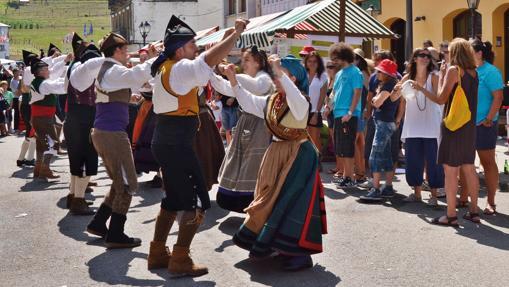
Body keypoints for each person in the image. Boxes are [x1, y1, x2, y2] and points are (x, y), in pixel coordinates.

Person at [147, 16, 247, 277]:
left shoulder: (165, 67)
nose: (196, 49)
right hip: (177, 143)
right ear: (180, 49)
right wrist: (234, 35)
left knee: (173, 199)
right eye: (192, 45)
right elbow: (207, 61)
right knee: (196, 200)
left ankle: (157, 253)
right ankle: (180, 259)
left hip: (168, 140)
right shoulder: (178, 69)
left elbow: (204, 66)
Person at [227, 55, 326, 271]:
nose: (277, 78)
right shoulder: (273, 100)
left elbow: (291, 92)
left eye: (284, 75)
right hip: (277, 153)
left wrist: (278, 69)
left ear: (294, 79)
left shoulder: (300, 101)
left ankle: (300, 254)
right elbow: (248, 102)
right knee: (270, 199)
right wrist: (232, 80)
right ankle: (273, 244)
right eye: (277, 75)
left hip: (298, 155)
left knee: (292, 203)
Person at [80, 32, 157, 248]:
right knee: (128, 184)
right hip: (112, 134)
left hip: (105, 133)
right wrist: (154, 58)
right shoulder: (113, 69)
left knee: (118, 182)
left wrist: (128, 96)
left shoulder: (109, 70)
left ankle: (98, 223)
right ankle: (116, 233)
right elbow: (137, 76)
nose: (128, 54)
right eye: (125, 51)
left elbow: (133, 84)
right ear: (117, 51)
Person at [212, 46, 274, 213]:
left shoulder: (264, 79)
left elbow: (247, 85)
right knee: (242, 161)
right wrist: (212, 69)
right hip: (248, 123)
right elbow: (226, 87)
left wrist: (226, 72)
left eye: (247, 60)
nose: (244, 63)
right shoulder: (252, 78)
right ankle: (240, 200)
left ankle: (256, 202)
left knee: (254, 164)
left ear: (258, 62)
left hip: (261, 126)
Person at [424, 38, 479, 227]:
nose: (446, 53)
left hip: (453, 126)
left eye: (448, 50)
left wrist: (441, 75)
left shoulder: (454, 71)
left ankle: (451, 215)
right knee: (469, 168)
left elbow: (440, 99)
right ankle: (474, 211)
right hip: (469, 126)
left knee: (450, 171)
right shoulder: (474, 72)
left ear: (455, 52)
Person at [391, 48, 444, 206]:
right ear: (414, 59)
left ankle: (434, 196)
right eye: (422, 55)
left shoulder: (434, 77)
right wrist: (395, 90)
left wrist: (420, 88)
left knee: (433, 161)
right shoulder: (407, 77)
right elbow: (395, 99)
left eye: (428, 56)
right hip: (413, 125)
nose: (426, 58)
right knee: (413, 160)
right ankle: (417, 193)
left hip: (431, 125)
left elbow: (439, 99)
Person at [64, 33, 103, 215]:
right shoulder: (84, 71)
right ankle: (78, 200)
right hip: (84, 120)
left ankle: (73, 195)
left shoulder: (73, 69)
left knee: (76, 160)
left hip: (74, 117)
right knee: (87, 159)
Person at [465, 39, 503, 215]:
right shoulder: (467, 70)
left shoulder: (491, 71)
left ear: (479, 53)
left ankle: (491, 202)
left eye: (468, 51)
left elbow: (498, 97)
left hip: (484, 124)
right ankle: (464, 197)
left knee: (487, 163)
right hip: (466, 124)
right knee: (465, 163)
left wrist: (488, 119)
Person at [359, 59, 400, 202]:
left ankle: (376, 189)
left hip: (384, 123)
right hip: (385, 123)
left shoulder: (388, 85)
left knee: (375, 156)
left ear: (386, 74)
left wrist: (375, 99)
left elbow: (377, 102)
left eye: (380, 71)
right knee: (387, 156)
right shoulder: (389, 84)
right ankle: (387, 187)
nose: (377, 73)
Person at [329, 43, 363, 188]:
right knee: (341, 148)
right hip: (338, 114)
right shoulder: (338, 74)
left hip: (348, 115)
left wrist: (350, 112)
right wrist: (328, 106)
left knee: (348, 148)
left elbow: (357, 93)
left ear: (344, 57)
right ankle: (346, 176)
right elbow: (334, 93)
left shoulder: (355, 72)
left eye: (336, 58)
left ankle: (350, 178)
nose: (334, 61)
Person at [29, 57, 69, 181]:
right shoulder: (43, 83)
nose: (49, 71)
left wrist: (64, 62)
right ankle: (45, 169)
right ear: (40, 71)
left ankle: (39, 169)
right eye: (46, 69)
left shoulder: (39, 81)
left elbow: (55, 78)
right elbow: (58, 86)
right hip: (44, 118)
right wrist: (72, 82)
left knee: (42, 144)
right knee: (53, 143)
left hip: (41, 118)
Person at [304, 51, 328, 167]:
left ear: (319, 63)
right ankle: (307, 162)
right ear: (306, 62)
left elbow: (322, 97)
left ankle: (317, 162)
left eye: (314, 61)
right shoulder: (303, 74)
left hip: (315, 111)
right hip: (302, 111)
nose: (312, 63)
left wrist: (316, 113)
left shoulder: (323, 77)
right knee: (303, 139)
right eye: (309, 61)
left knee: (315, 138)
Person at [16, 51, 38, 168]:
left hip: (26, 104)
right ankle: (28, 159)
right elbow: (27, 88)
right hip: (29, 105)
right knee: (32, 133)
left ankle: (23, 159)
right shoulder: (30, 70)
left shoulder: (27, 70)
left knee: (31, 132)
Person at [353, 48, 370, 183]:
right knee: (359, 142)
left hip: (359, 112)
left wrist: (365, 111)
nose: (354, 60)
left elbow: (366, 96)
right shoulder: (362, 73)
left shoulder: (362, 74)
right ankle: (360, 171)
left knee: (357, 143)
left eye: (356, 57)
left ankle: (360, 172)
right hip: (359, 112)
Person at [323, 62, 341, 175]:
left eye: (331, 67)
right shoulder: (329, 80)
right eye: (328, 67)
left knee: (338, 141)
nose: (329, 69)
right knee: (334, 141)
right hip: (329, 113)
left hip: (335, 112)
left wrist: (329, 107)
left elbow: (335, 97)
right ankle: (338, 166)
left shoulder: (337, 80)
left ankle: (340, 167)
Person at [10, 68, 21, 132]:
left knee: (22, 112)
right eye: (16, 72)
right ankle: (16, 127)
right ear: (13, 73)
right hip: (16, 98)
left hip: (21, 98)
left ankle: (22, 126)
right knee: (17, 112)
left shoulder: (20, 78)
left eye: (18, 72)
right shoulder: (12, 81)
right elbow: (16, 92)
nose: (18, 74)